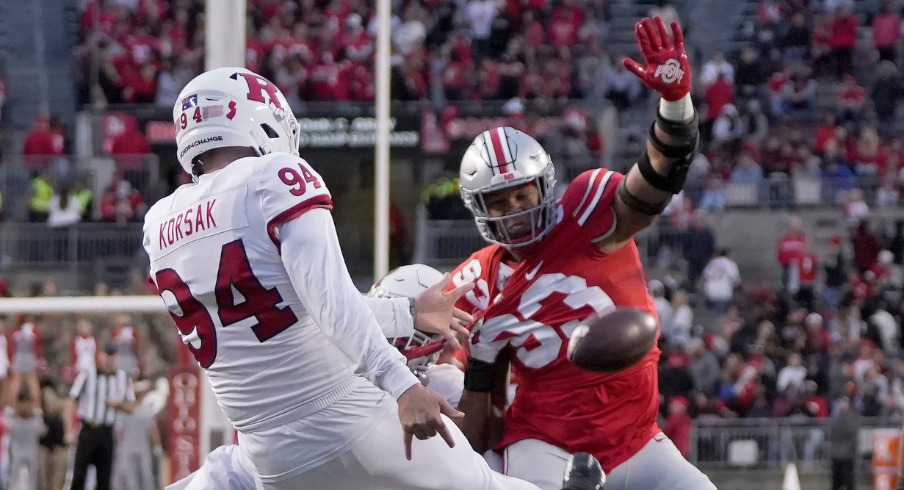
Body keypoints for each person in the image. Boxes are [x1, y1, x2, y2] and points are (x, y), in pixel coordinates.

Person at [144, 66, 603, 490]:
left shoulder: (159, 223)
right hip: (343, 415)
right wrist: (401, 384)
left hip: (267, 453)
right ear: (261, 119)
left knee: (222, 473)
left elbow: (289, 308)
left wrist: (405, 312)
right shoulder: (273, 176)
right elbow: (329, 300)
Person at [450, 17, 716, 490]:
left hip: (636, 438)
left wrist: (675, 106)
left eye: (521, 195)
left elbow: (656, 181)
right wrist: (478, 365)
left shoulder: (588, 215)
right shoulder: (476, 283)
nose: (514, 212)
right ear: (479, 209)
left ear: (543, 188)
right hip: (546, 443)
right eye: (499, 202)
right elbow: (476, 433)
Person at [65, 342, 135, 490]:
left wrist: (118, 405)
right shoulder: (88, 373)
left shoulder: (122, 378)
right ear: (101, 356)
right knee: (79, 475)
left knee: (104, 477)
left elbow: (131, 407)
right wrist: (70, 430)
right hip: (89, 428)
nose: (109, 360)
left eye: (113, 356)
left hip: (107, 431)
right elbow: (72, 400)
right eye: (107, 356)